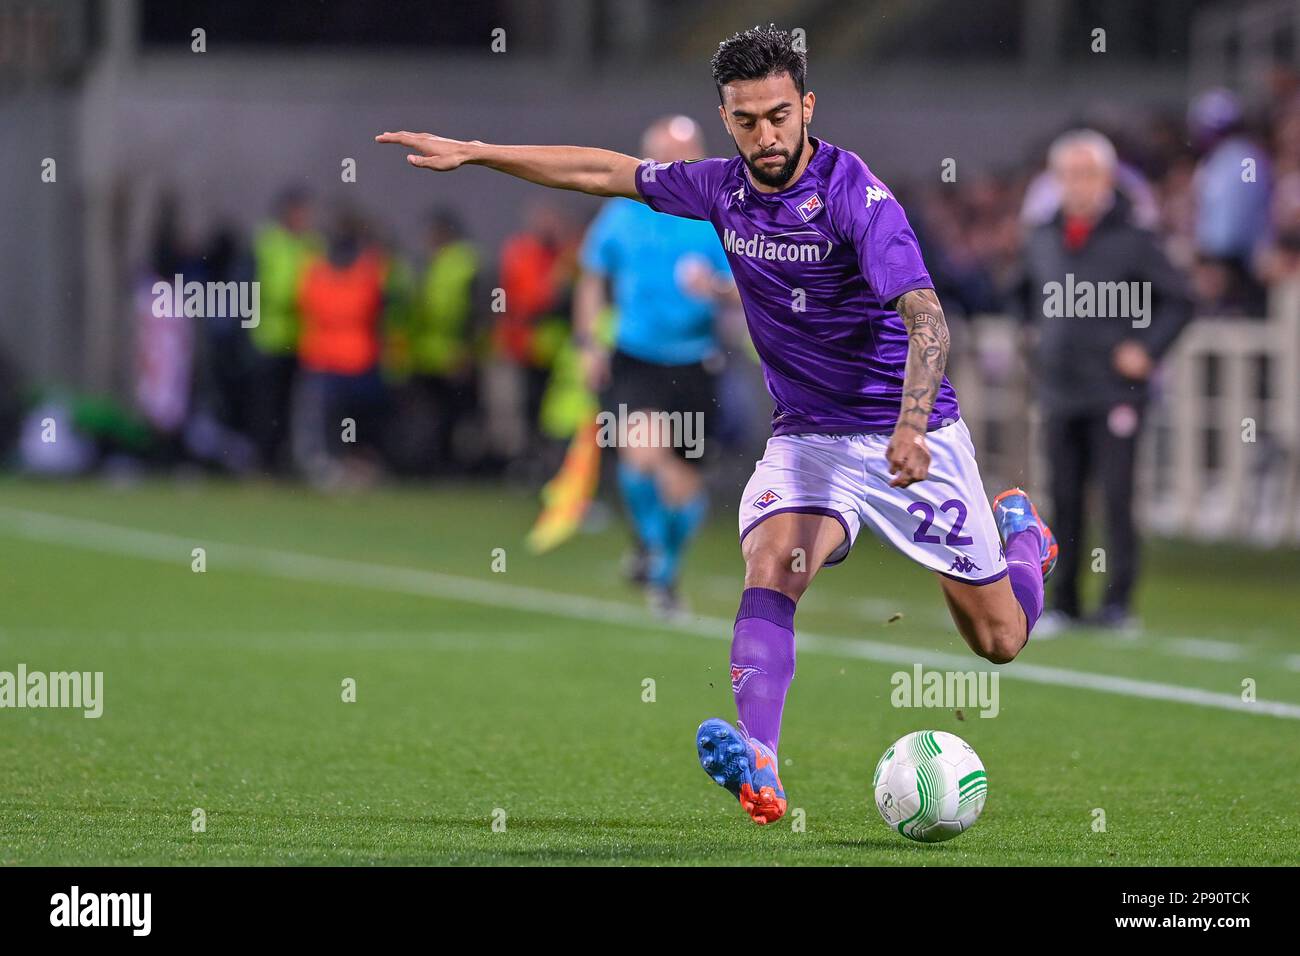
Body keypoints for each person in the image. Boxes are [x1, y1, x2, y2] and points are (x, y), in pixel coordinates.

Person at [376, 24, 1058, 827]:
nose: (765, 136)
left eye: (777, 115)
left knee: (999, 641)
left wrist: (909, 426)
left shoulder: (856, 196)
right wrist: (480, 151)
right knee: (773, 564)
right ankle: (761, 762)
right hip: (809, 437)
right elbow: (603, 170)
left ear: (806, 105)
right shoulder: (720, 189)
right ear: (725, 117)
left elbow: (928, 321)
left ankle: (1021, 536)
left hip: (911, 435)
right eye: (746, 120)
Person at [1016, 130, 1193, 633]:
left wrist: (1148, 349)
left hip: (1117, 391)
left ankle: (1118, 603)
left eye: (1088, 173)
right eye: (1069, 174)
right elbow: (1019, 294)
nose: (1079, 184)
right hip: (1059, 390)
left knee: (1116, 496)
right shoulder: (1043, 235)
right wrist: (1036, 343)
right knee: (1063, 496)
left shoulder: (1135, 238)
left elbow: (1180, 299)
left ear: (1108, 180)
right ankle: (1064, 602)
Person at [575, 115, 734, 616]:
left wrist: (716, 288)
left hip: (695, 361)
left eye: (686, 156)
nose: (676, 166)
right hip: (637, 356)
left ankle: (664, 570)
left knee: (683, 483)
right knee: (640, 455)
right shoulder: (624, 209)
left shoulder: (718, 213)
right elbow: (592, 277)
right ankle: (648, 545)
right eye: (666, 155)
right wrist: (587, 343)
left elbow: (749, 285)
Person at [250, 188, 321, 473]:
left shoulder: (313, 244)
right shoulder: (267, 242)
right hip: (270, 336)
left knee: (295, 406)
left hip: (301, 338)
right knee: (267, 405)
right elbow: (259, 287)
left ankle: (286, 461)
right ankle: (263, 461)